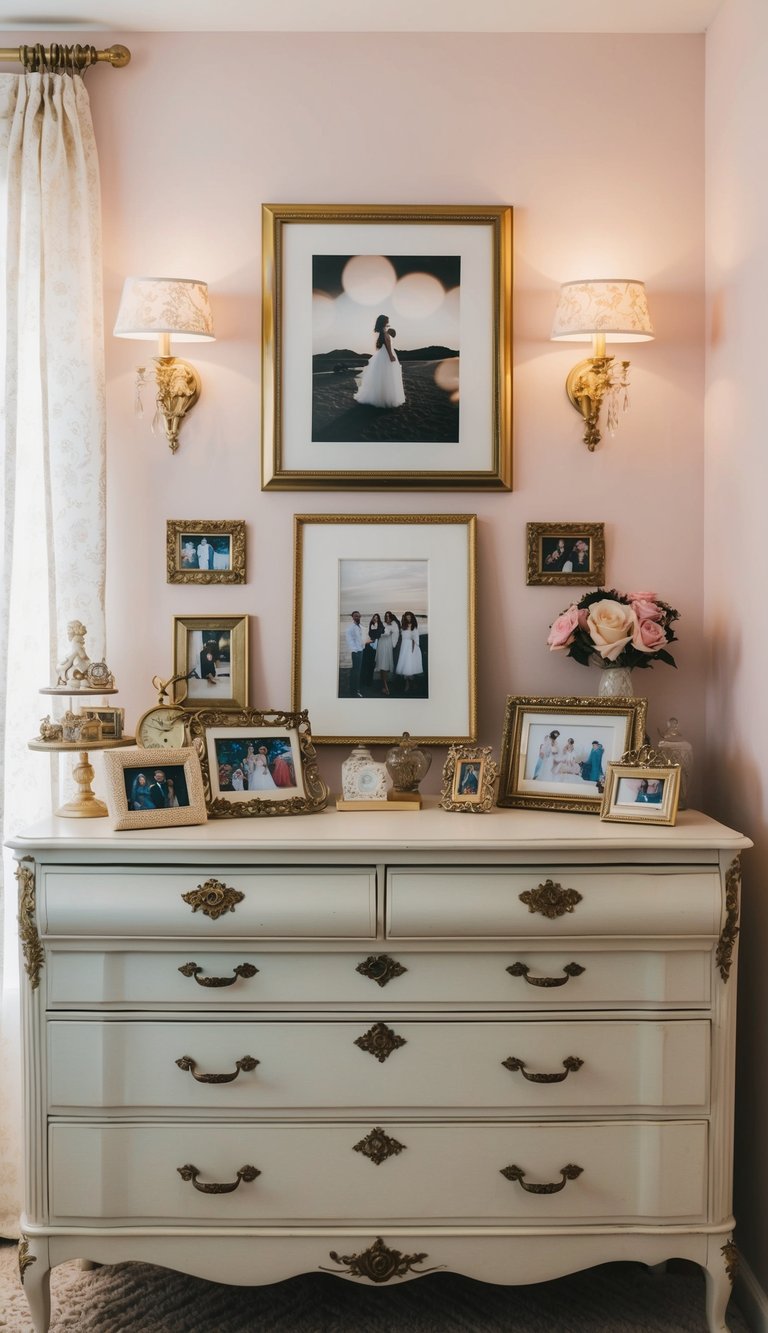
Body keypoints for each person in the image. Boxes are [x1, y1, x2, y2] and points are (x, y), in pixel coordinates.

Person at [353, 314, 406, 409]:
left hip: (382, 354)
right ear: (384, 321)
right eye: (387, 320)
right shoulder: (384, 332)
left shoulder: (382, 331)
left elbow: (381, 345)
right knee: (388, 375)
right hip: (386, 354)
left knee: (383, 375)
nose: (388, 321)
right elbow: (388, 344)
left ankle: (381, 396)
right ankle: (386, 398)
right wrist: (390, 355)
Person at [395, 612, 423, 693]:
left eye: (410, 617)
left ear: (412, 618)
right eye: (407, 617)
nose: (409, 619)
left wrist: (413, 649)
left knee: (409, 666)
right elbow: (401, 638)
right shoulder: (402, 627)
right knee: (405, 666)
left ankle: (410, 683)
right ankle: (409, 683)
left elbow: (415, 639)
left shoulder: (414, 627)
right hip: (404, 647)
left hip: (411, 647)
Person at [375, 611, 400, 696]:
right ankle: (385, 686)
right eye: (386, 616)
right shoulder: (383, 624)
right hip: (382, 644)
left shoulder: (394, 625)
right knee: (382, 664)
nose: (387, 618)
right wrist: (383, 633)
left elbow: (396, 634)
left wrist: (393, 643)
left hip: (388, 645)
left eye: (389, 616)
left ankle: (385, 686)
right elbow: (378, 633)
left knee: (385, 665)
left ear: (391, 617)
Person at [345, 611, 365, 697]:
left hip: (361, 651)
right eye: (355, 616)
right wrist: (355, 650)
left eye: (358, 616)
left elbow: (362, 638)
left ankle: (355, 689)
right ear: (352, 617)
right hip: (356, 652)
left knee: (357, 671)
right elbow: (349, 640)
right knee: (355, 672)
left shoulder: (360, 626)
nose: (357, 617)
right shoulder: (350, 628)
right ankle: (354, 691)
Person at [362, 613, 383, 688]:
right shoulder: (371, 624)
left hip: (374, 646)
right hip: (368, 645)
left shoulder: (380, 625)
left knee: (371, 664)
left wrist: (373, 635)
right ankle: (364, 680)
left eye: (377, 618)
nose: (375, 619)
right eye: (374, 617)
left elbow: (377, 635)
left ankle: (369, 682)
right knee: (365, 664)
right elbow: (369, 633)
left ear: (378, 619)